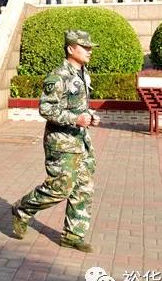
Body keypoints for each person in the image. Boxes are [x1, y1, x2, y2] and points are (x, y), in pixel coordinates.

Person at [12, 30, 100, 253]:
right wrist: (75, 119)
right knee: (59, 188)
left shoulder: (83, 74)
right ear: (71, 49)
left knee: (84, 188)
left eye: (90, 47)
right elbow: (46, 108)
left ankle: (73, 235)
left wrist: (89, 116)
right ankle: (23, 208)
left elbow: (77, 105)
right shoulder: (58, 76)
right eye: (85, 47)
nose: (89, 51)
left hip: (80, 140)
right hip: (61, 142)